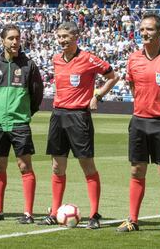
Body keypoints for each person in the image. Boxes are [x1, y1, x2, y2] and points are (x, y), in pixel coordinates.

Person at [38, 21, 119, 229]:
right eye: (59, 37)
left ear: (76, 37)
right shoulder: (56, 59)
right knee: (57, 166)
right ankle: (54, 212)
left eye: (65, 36)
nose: (62, 41)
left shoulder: (89, 59)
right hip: (58, 115)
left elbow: (112, 76)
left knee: (87, 165)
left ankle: (94, 214)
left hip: (79, 117)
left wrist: (97, 96)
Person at [116, 12, 160, 236]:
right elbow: (132, 87)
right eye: (143, 29)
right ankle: (133, 219)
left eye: (150, 29)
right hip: (139, 121)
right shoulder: (133, 59)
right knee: (137, 170)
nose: (145, 33)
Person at [0, 24, 44, 224]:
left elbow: (37, 94)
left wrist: (25, 113)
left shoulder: (29, 65)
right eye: (11, 38)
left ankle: (28, 213)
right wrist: (0, 110)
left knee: (24, 166)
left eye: (17, 38)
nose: (15, 42)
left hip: (19, 124)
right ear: (3, 41)